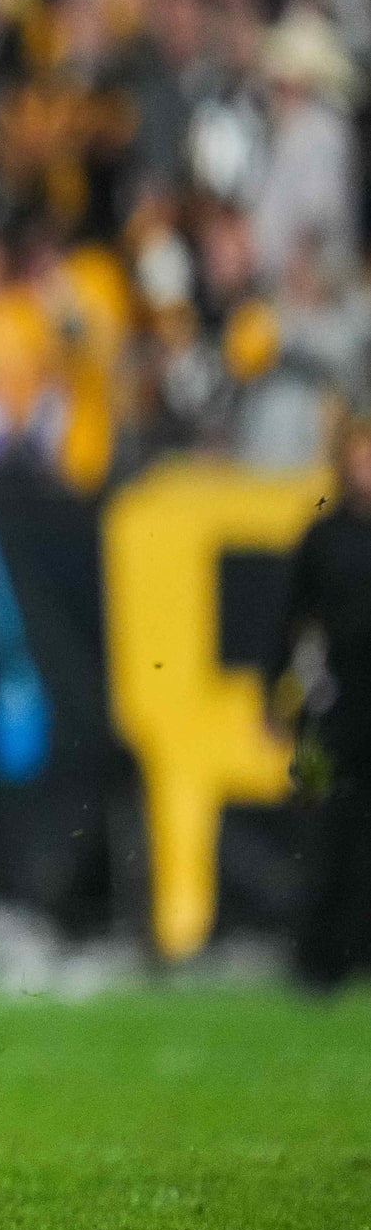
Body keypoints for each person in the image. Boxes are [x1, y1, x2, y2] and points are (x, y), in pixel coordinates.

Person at [263, 413, 371, 990]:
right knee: (327, 826)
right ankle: (318, 958)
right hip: (337, 709)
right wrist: (272, 698)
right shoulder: (326, 538)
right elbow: (289, 622)